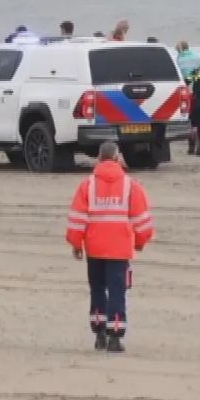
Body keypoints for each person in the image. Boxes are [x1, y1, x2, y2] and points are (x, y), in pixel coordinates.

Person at [65, 141, 154, 353]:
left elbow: (77, 218)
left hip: (94, 249)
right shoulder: (131, 186)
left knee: (97, 290)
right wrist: (140, 242)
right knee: (117, 292)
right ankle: (115, 336)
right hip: (119, 249)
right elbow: (141, 219)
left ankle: (99, 334)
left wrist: (76, 244)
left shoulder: (87, 185)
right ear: (117, 158)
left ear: (99, 158)